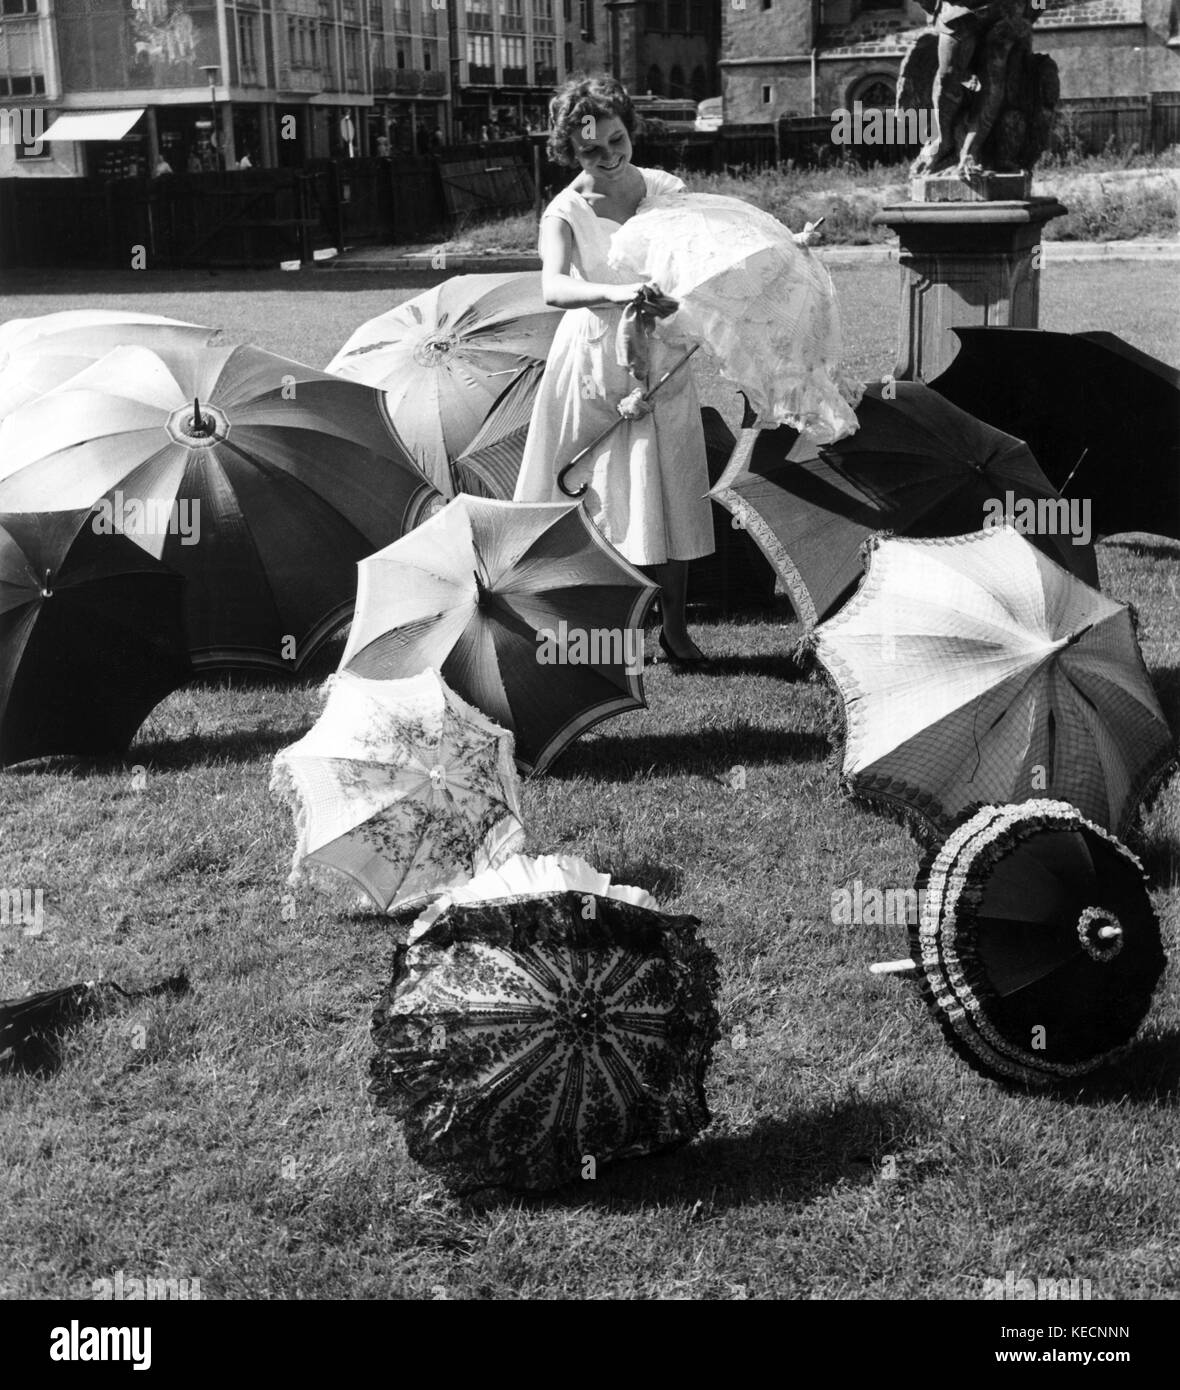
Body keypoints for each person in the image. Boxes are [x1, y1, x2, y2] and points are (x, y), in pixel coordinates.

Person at [513, 73, 714, 666]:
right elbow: (553, 286)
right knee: (599, 490)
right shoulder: (565, 209)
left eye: (617, 140)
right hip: (595, 354)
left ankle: (675, 629)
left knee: (672, 482)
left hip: (664, 350)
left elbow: (696, 258)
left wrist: (675, 298)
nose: (608, 157)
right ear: (570, 153)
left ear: (630, 128)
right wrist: (618, 291)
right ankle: (605, 628)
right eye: (591, 150)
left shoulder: (666, 189)